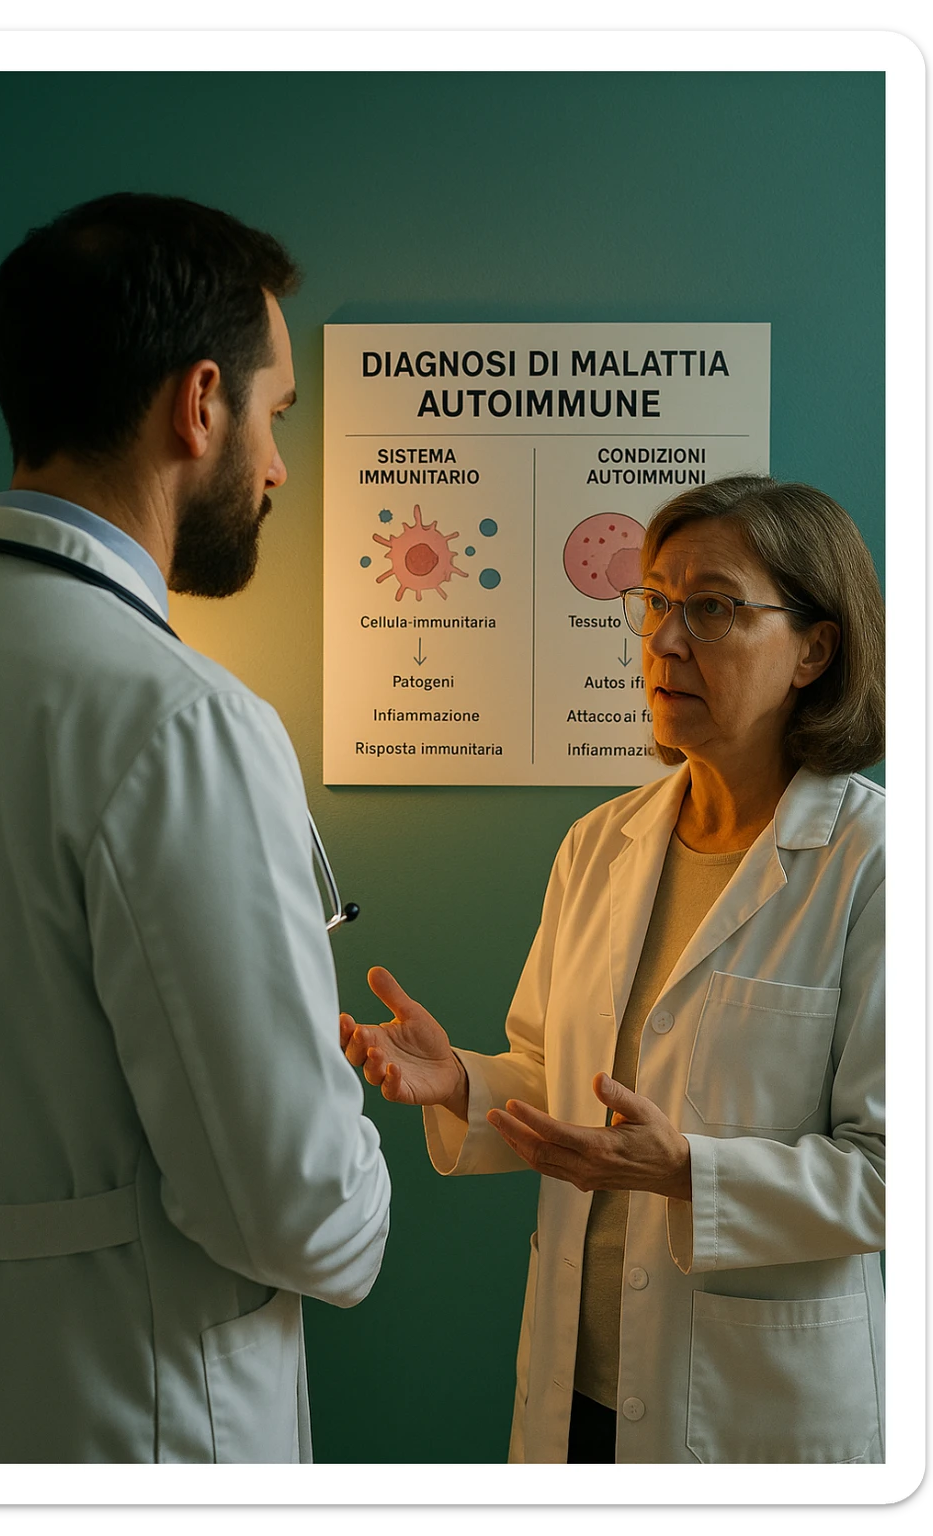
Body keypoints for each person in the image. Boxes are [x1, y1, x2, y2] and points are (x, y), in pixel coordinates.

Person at [0, 193, 390, 1464]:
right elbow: (307, 1219)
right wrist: (355, 1154)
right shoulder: (177, 721)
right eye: (276, 415)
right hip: (141, 1431)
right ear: (198, 405)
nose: (279, 467)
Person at [342, 475, 885, 1465]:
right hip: (579, 1391)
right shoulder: (600, 842)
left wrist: (688, 1174)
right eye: (654, 602)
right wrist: (464, 1079)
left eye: (712, 608)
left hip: (757, 1411)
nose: (665, 641)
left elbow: (893, 1175)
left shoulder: (874, 864)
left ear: (815, 646)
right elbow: (567, 1084)